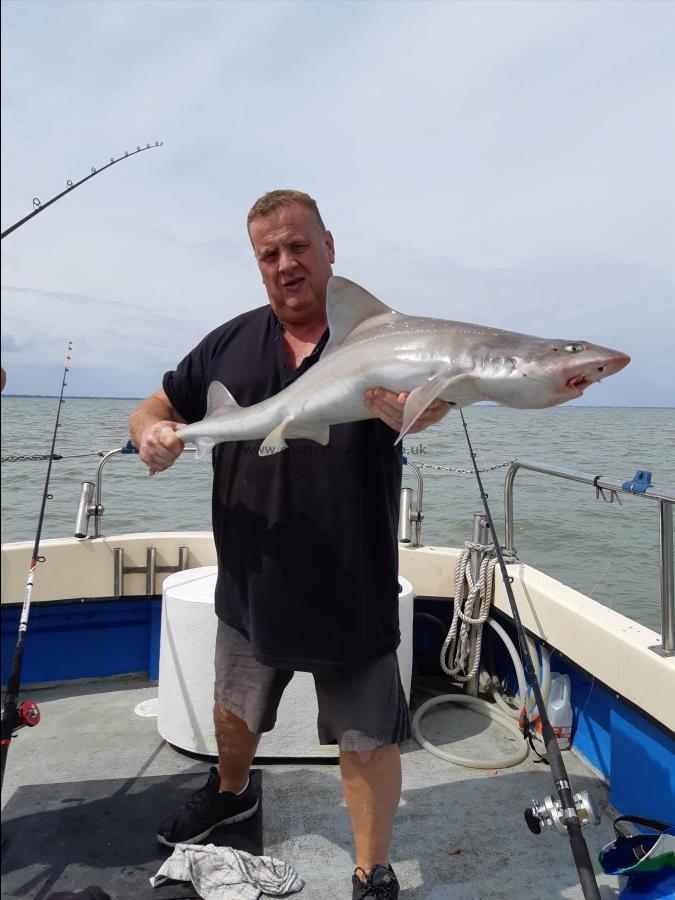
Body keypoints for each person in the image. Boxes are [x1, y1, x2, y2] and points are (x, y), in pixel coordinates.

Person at [129, 190, 449, 899]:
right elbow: (156, 406)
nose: (285, 263)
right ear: (257, 263)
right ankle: (232, 790)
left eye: (298, 246)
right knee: (233, 710)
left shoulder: (381, 339)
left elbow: (440, 397)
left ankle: (370, 869)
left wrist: (416, 412)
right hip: (252, 574)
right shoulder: (228, 343)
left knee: (366, 739)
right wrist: (149, 436)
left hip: (351, 578)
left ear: (329, 246)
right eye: (268, 254)